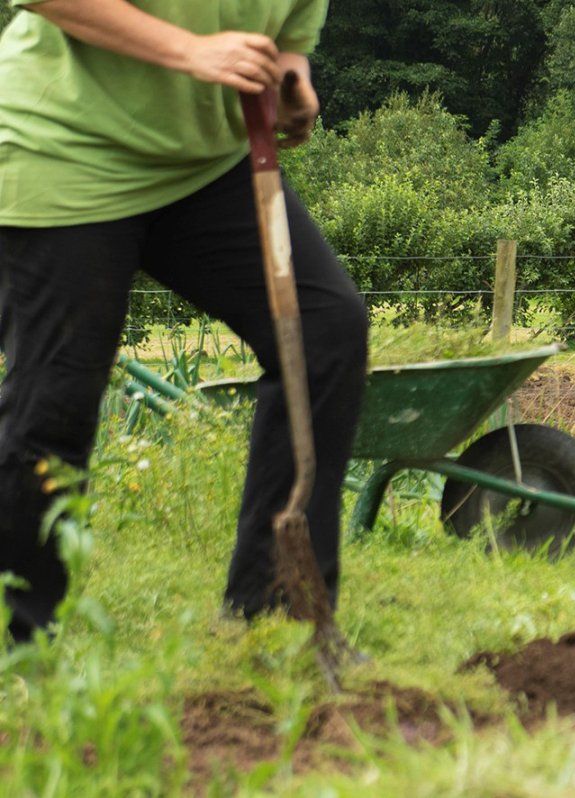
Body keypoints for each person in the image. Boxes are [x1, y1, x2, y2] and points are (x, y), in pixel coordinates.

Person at [0, 0, 367, 643]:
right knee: (53, 403)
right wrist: (189, 50)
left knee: (323, 327)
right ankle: (19, 645)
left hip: (207, 165)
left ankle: (271, 620)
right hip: (65, 151)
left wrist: (291, 83)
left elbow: (283, 39)